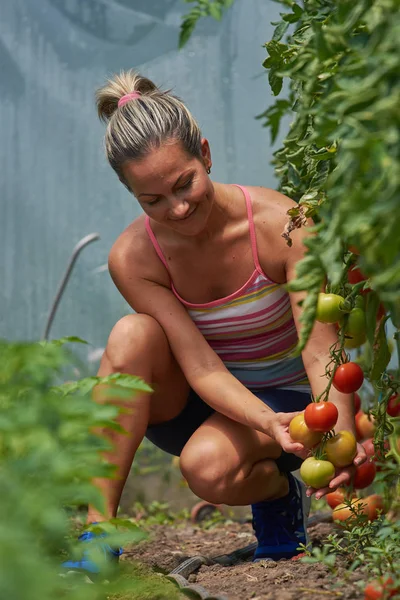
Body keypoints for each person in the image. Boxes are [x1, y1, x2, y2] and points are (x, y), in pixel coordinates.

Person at [62, 70, 366, 572]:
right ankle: (99, 536)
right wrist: (257, 417)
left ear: (204, 153)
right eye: (152, 200)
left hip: (292, 413)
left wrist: (337, 437)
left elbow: (320, 350)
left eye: (185, 184)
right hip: (205, 401)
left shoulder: (281, 227)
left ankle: (275, 496)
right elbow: (199, 365)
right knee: (130, 333)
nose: (178, 209)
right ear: (131, 193)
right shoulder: (135, 258)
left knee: (208, 469)